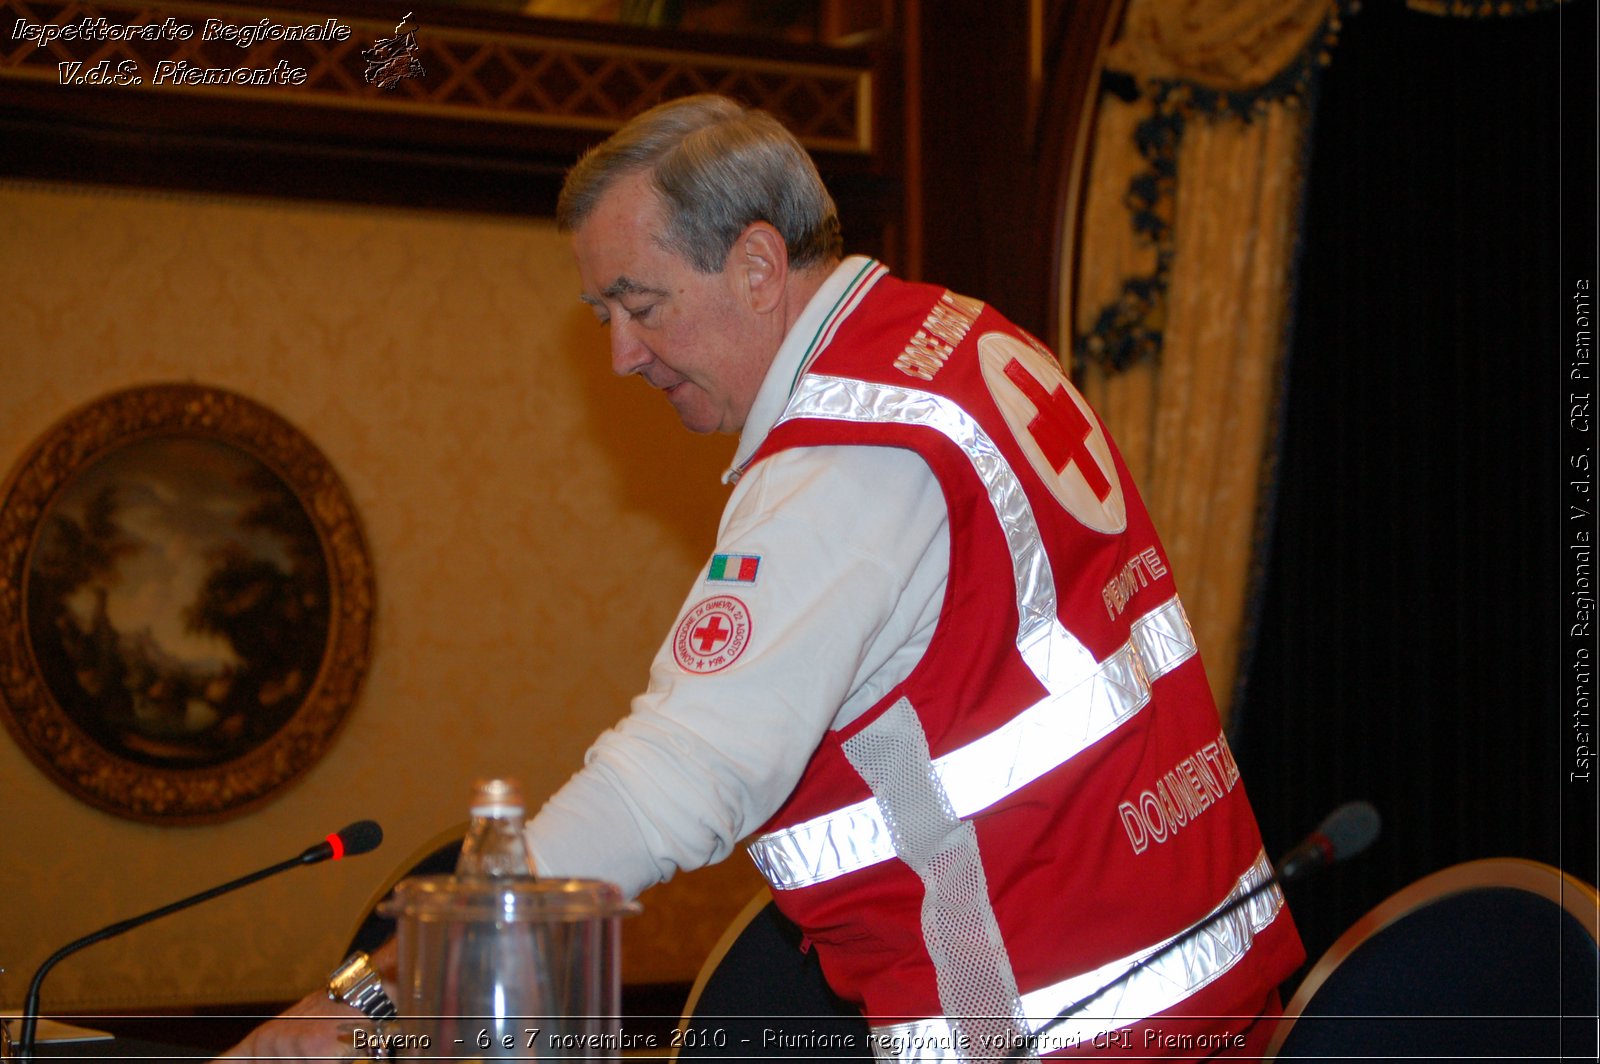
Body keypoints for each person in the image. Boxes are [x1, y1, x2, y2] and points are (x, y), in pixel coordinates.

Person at [225, 93, 1302, 1062]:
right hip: (1201, 969)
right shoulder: (959, 336)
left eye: (639, 303)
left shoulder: (842, 460)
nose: (622, 354)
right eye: (600, 313)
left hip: (1049, 1024)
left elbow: (669, 782)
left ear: (753, 266)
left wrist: (378, 996)